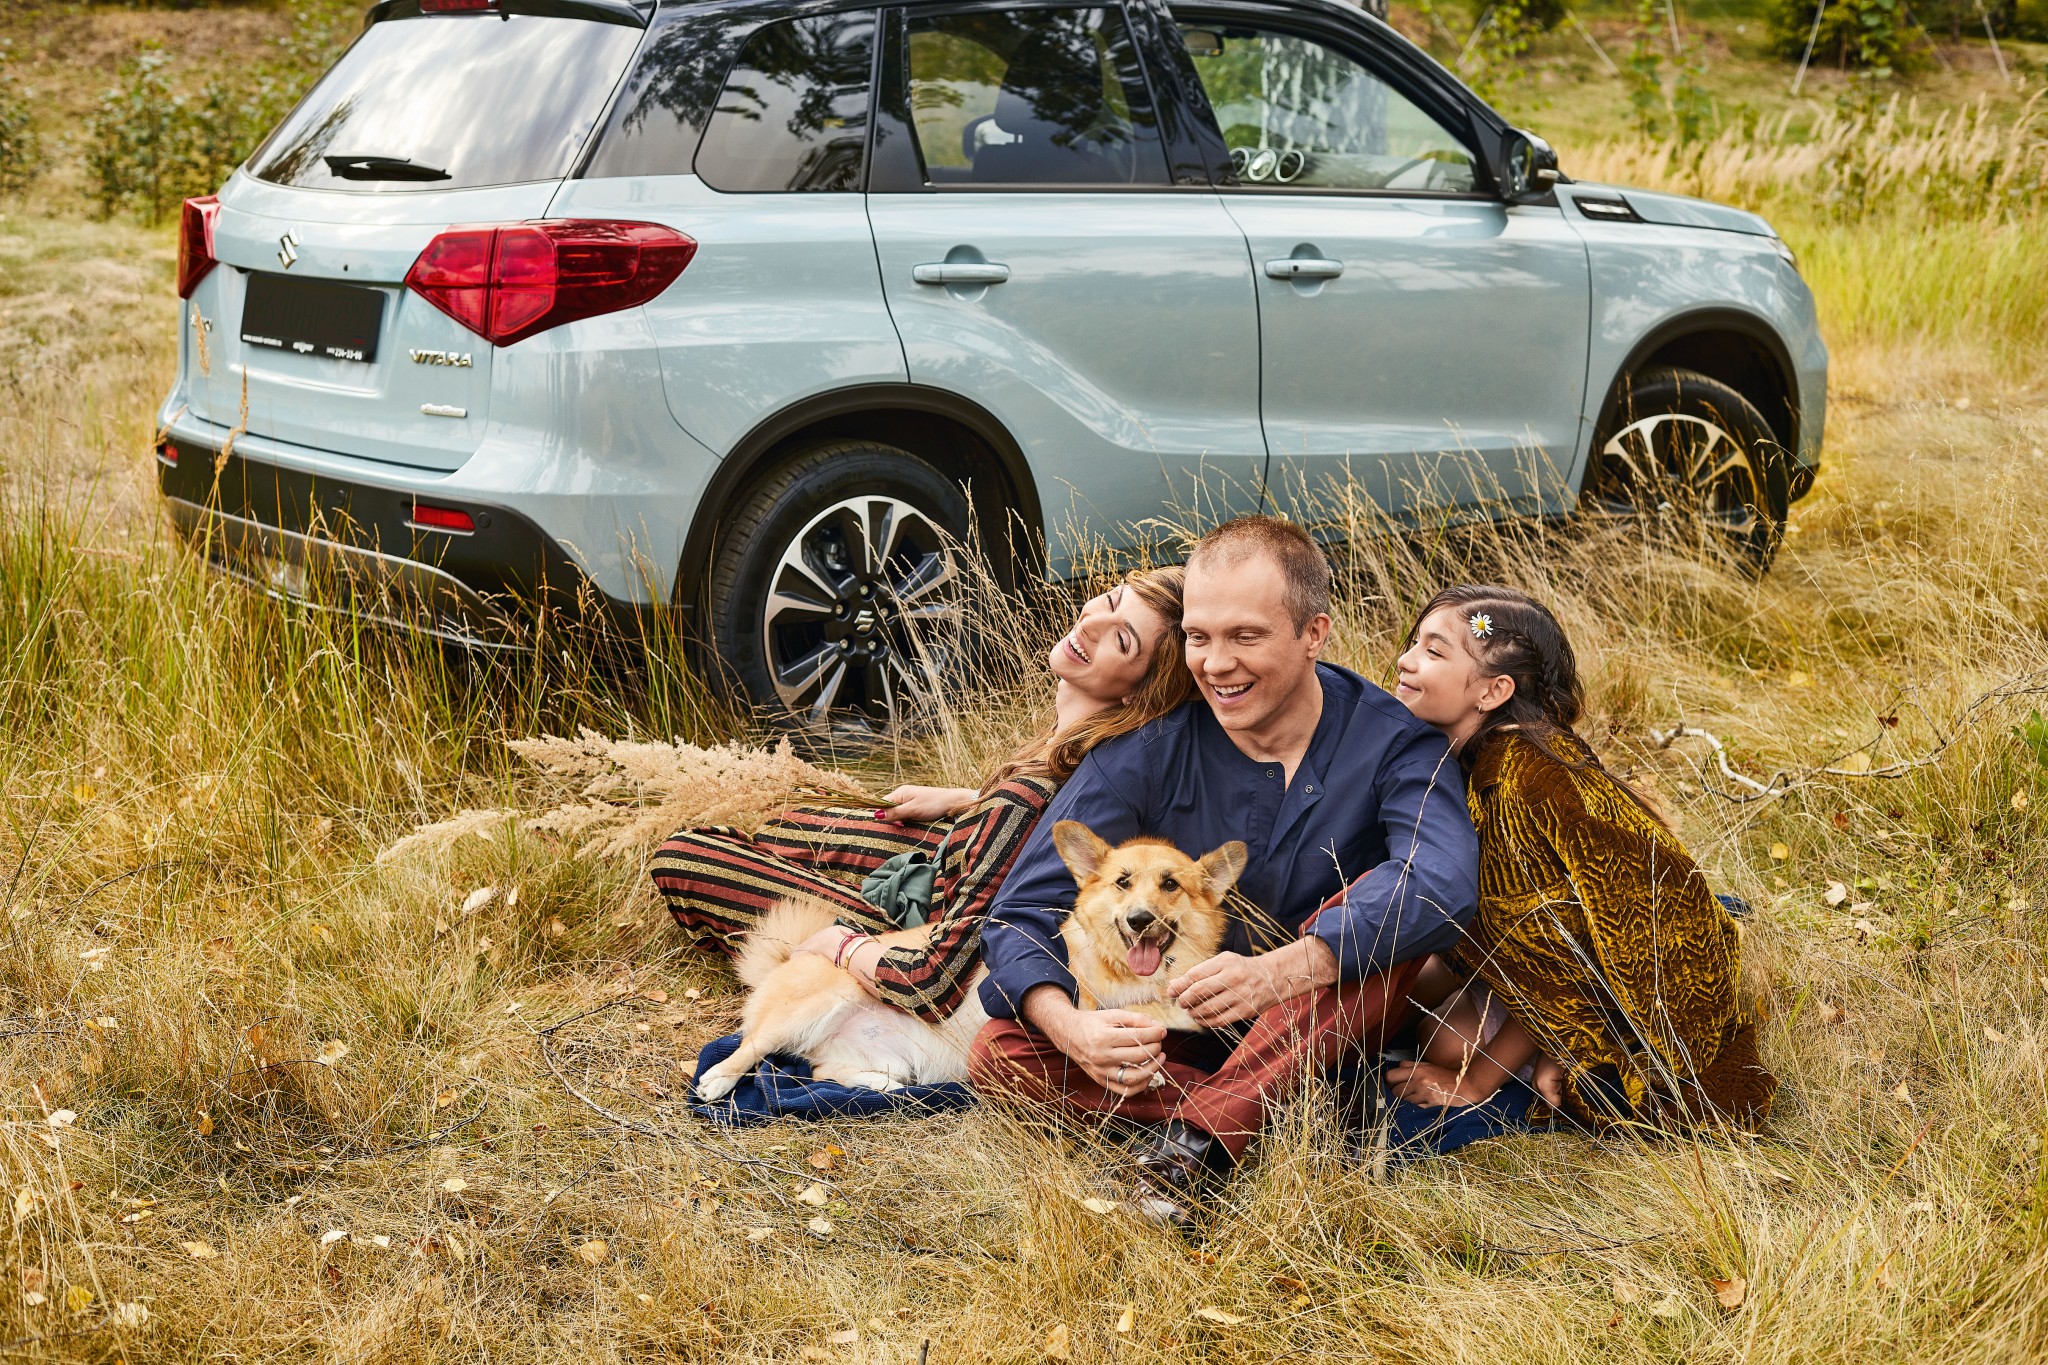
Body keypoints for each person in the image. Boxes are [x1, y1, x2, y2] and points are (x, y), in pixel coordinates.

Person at [967, 517, 1480, 1226]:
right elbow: (1021, 910)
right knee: (1001, 1053)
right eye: (1199, 637)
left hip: (1323, 1014)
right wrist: (1071, 1026)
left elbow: (1441, 881)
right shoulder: (1150, 749)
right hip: (1180, 1019)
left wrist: (1283, 970)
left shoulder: (1394, 742)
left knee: (1381, 909)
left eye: (1245, 636)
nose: (1215, 664)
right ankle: (1281, 1114)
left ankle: (1196, 1145)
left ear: (1314, 633)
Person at [650, 566, 1196, 1023]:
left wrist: (845, 947)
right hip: (948, 859)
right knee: (783, 826)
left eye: (1121, 640)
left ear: (1140, 693)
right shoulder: (1071, 749)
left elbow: (939, 976)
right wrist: (968, 799)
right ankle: (802, 888)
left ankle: (812, 945)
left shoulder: (1030, 799)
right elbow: (1018, 821)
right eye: (1109, 600)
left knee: (688, 857)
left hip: (921, 928)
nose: (1092, 623)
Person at [1381, 584, 1775, 1144]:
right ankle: (1537, 1044)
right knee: (1394, 999)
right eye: (1414, 643)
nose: (1405, 660)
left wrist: (1478, 1082)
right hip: (1529, 965)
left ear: (1494, 691)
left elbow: (1562, 956)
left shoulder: (1517, 784)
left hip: (1620, 983)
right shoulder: (1469, 754)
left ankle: (1563, 1053)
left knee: (1446, 1044)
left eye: (1433, 651)